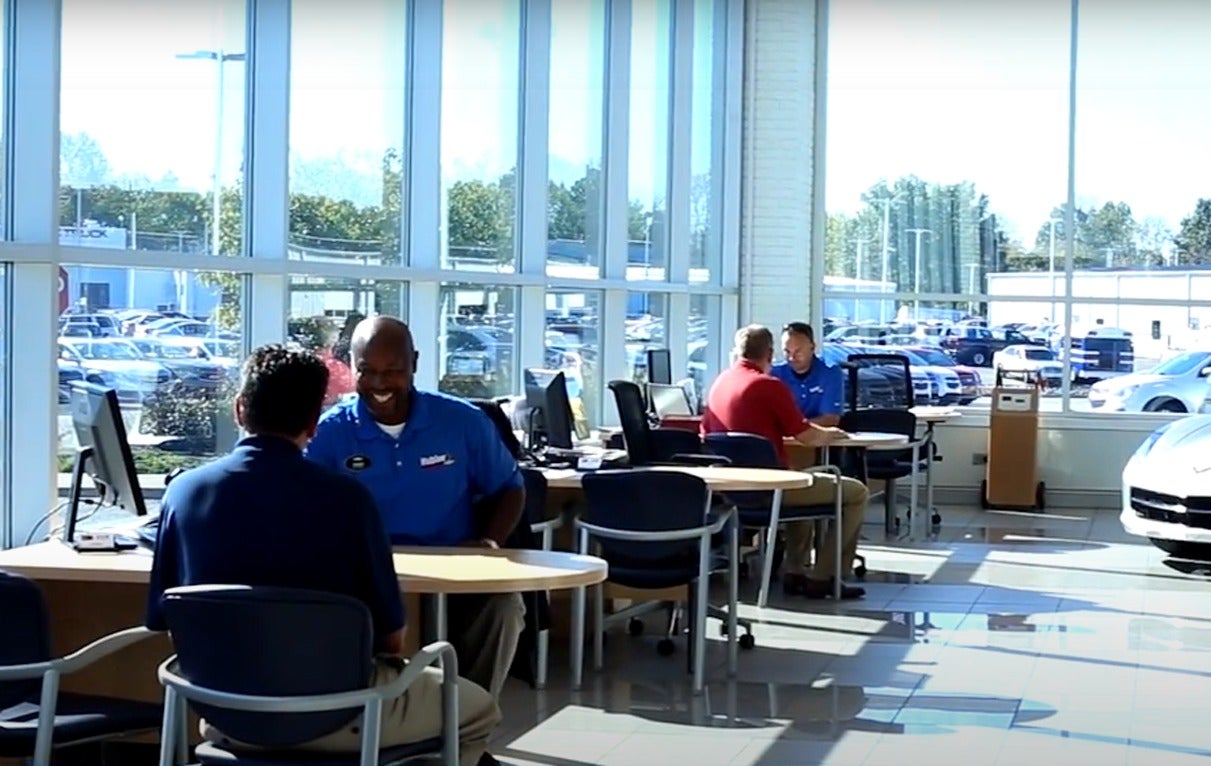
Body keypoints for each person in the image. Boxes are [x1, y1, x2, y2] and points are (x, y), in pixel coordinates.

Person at [144, 344, 500, 766]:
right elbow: (391, 639)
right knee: (476, 710)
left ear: (240, 410)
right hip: (342, 714)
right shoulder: (348, 500)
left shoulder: (183, 494)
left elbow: (162, 618)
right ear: (314, 424)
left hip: (226, 714)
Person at [305, 316, 526, 703]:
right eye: (367, 371)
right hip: (366, 577)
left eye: (393, 371)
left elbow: (510, 487)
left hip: (454, 568)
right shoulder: (328, 435)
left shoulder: (463, 422)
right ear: (351, 367)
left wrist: (489, 541)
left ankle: (464, 726)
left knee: (504, 606)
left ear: (415, 364)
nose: (379, 384)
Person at [701, 325, 869, 600]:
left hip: (729, 491)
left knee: (800, 480)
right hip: (769, 491)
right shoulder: (768, 385)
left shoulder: (721, 382)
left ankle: (795, 572)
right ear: (769, 353)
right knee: (856, 493)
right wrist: (835, 434)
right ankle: (824, 576)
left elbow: (706, 435)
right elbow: (807, 436)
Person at [770, 322, 843, 426]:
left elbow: (830, 419)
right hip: (782, 440)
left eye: (798, 352)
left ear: (812, 347)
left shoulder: (830, 372)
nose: (792, 358)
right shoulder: (773, 374)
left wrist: (792, 429)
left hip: (818, 440)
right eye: (787, 351)